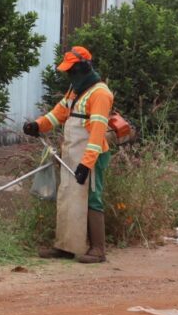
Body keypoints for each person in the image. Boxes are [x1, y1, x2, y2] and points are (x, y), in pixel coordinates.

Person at [23, 46, 113, 264]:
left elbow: (98, 133)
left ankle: (98, 250)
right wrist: (38, 125)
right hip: (73, 153)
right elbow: (59, 113)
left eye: (71, 70)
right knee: (68, 195)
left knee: (92, 198)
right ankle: (65, 247)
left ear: (83, 68)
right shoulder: (75, 90)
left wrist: (86, 165)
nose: (69, 75)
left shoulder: (100, 94)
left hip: (92, 155)